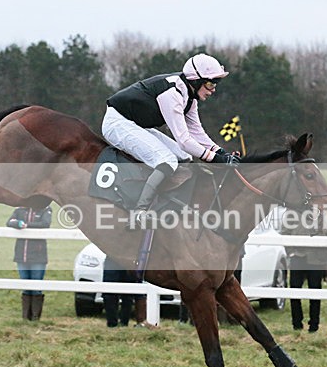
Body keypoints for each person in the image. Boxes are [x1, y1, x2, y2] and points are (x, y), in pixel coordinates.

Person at [100, 53, 240, 229]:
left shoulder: (190, 97)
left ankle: (169, 204)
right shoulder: (172, 93)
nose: (213, 90)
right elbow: (184, 140)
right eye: (211, 84)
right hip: (117, 123)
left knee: (184, 157)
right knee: (167, 160)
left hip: (136, 124)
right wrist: (216, 159)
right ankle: (139, 213)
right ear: (196, 81)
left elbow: (197, 134)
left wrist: (221, 153)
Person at [281, 208, 327, 333]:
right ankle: (297, 324)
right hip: (298, 256)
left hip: (316, 257)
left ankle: (314, 325)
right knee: (294, 289)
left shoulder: (323, 211)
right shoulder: (292, 211)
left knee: (315, 290)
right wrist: (291, 252)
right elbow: (284, 232)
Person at [6, 205, 52, 321]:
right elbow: (10, 222)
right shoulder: (19, 209)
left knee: (36, 286)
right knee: (25, 286)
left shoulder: (45, 209)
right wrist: (19, 224)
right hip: (22, 255)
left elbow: (45, 224)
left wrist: (26, 225)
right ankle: (26, 317)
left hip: (38, 255)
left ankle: (35, 317)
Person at [101, 257, 143, 328]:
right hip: (113, 258)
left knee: (128, 294)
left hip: (130, 260)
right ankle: (112, 324)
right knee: (109, 293)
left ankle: (124, 323)